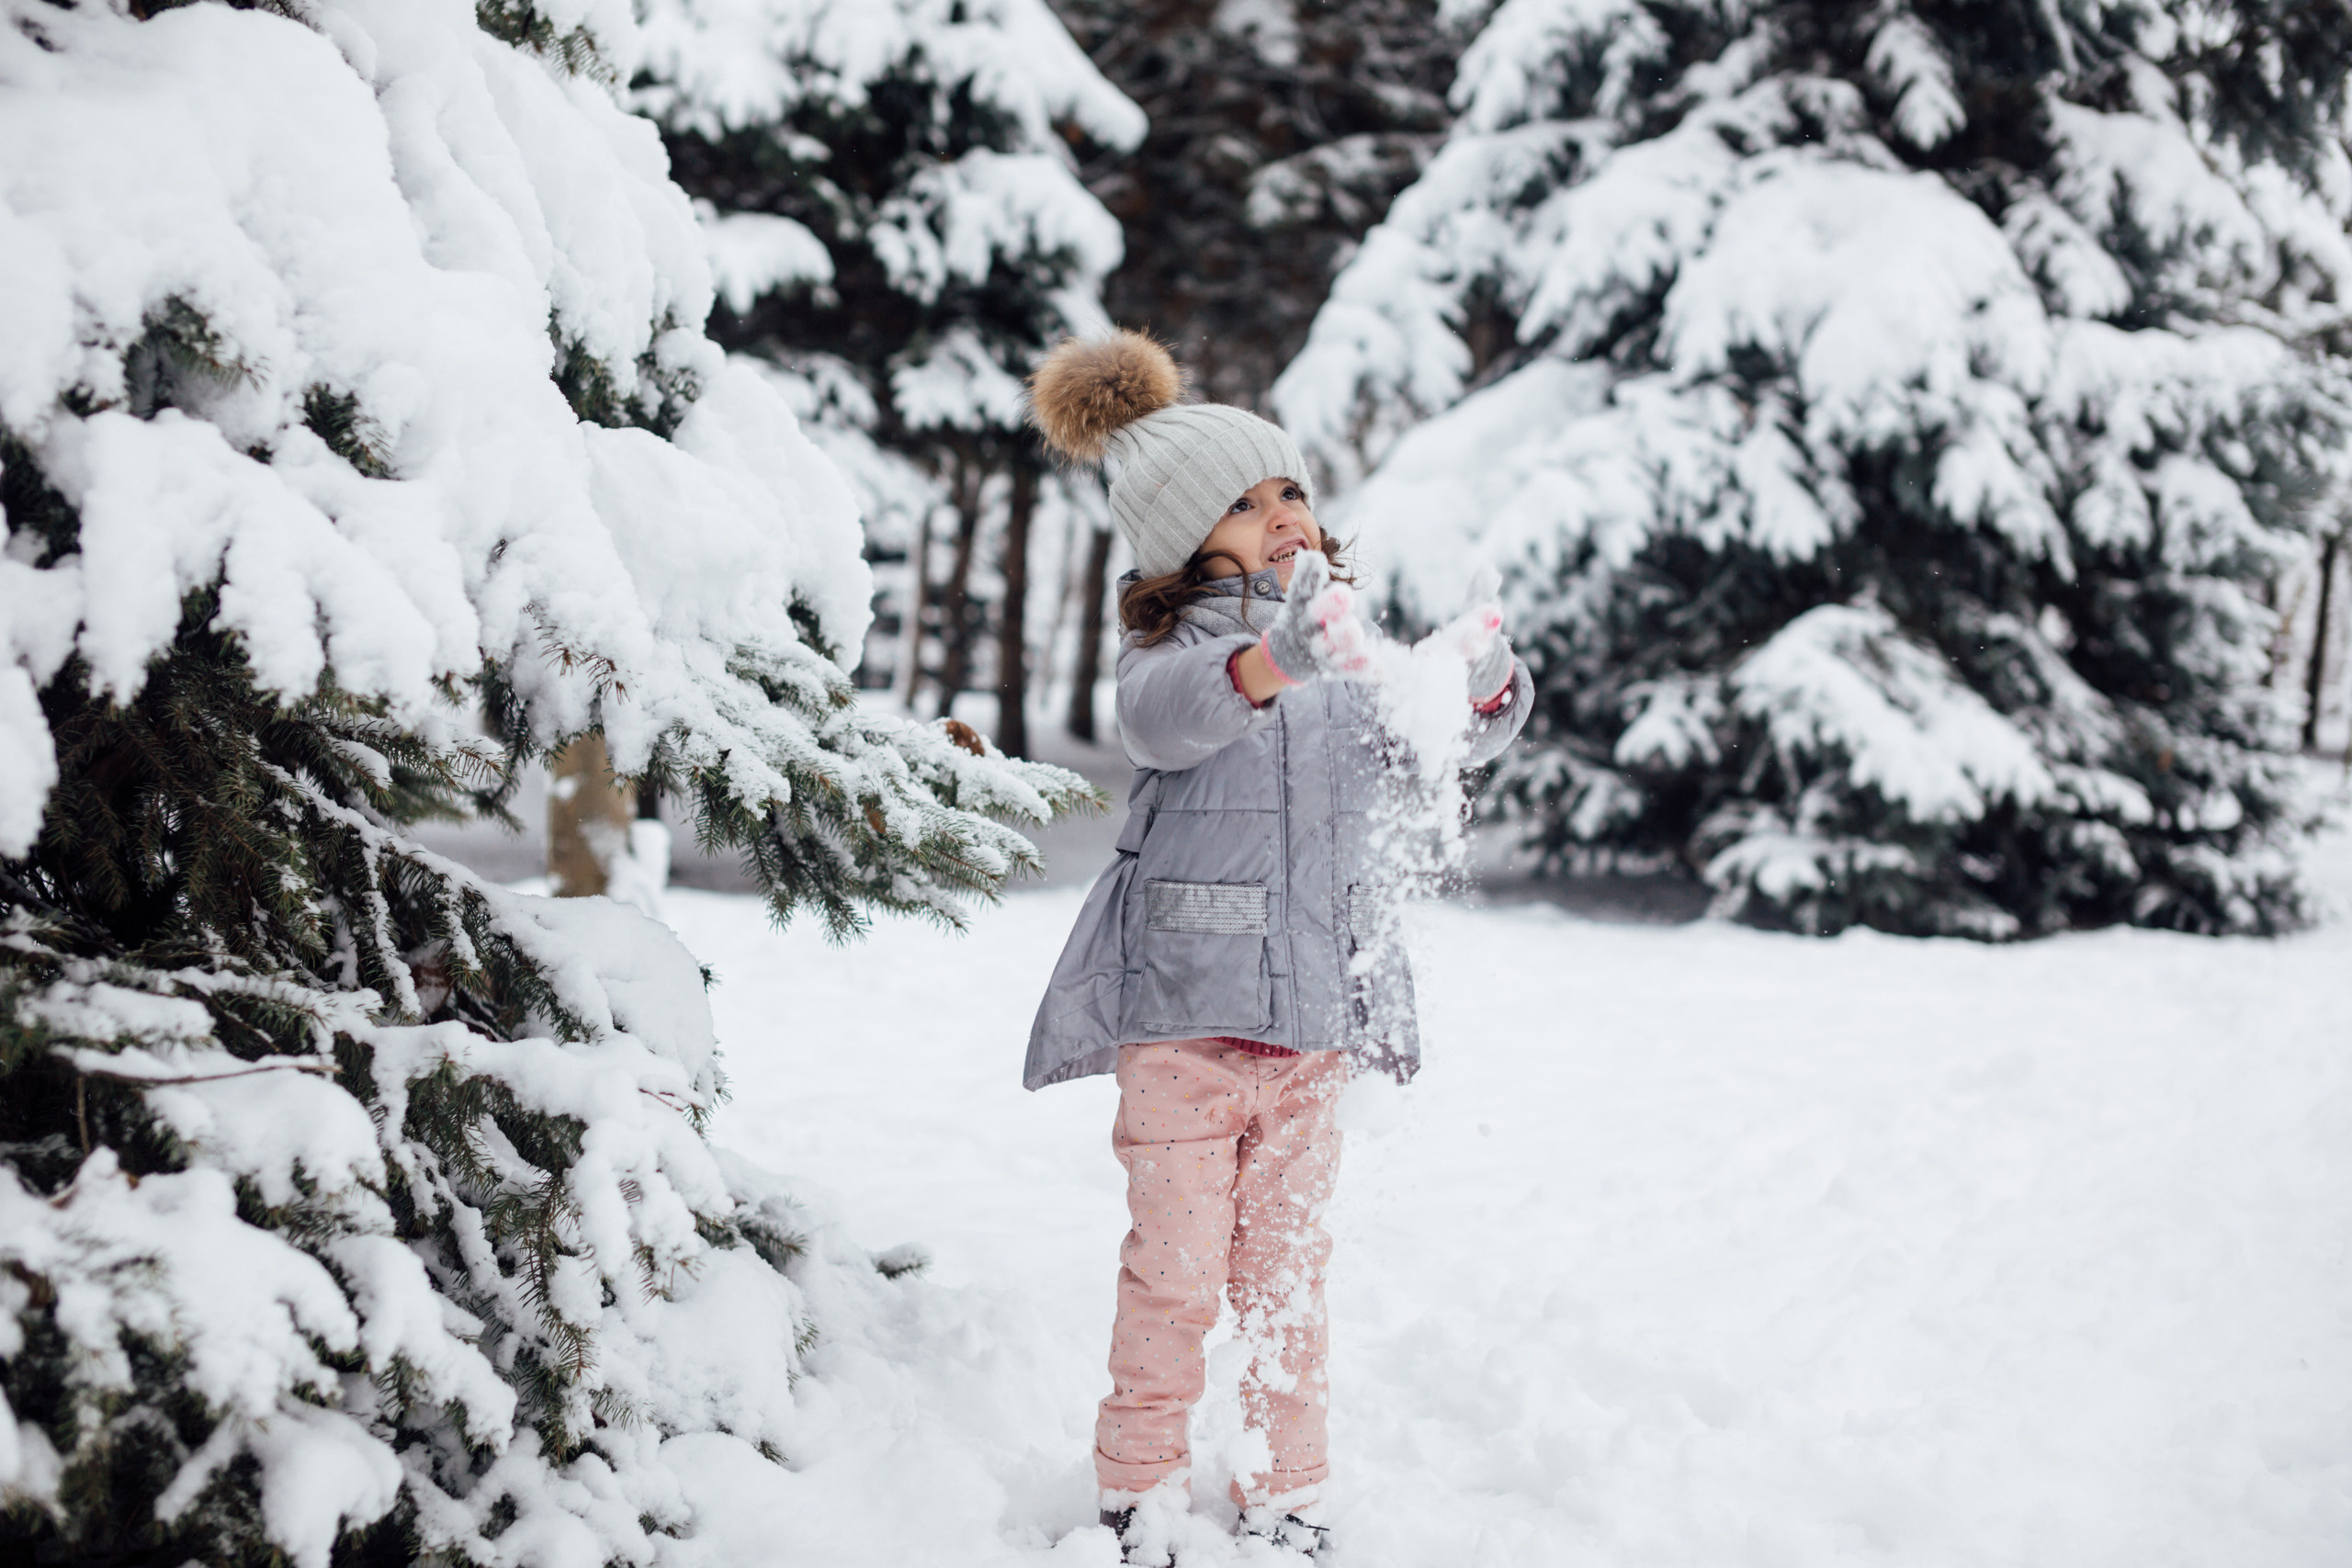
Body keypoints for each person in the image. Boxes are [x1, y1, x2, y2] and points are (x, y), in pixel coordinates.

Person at [1021, 332, 1532, 1562]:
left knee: (1285, 1280)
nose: (1281, 517)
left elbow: (1424, 752)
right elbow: (1176, 721)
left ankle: (1283, 1484)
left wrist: (1475, 694)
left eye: (1289, 490)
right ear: (1181, 545)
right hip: (1185, 1028)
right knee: (1178, 1273)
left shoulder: (1343, 648)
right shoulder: (1168, 658)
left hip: (1310, 1028)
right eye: (1243, 506)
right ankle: (1139, 1482)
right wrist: (1276, 658)